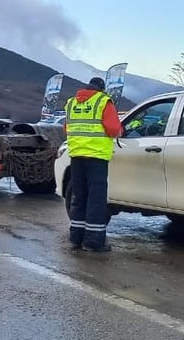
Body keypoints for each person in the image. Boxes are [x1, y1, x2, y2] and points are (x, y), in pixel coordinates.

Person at [64, 77, 122, 252]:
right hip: (96, 157)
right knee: (96, 199)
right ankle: (93, 242)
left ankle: (76, 237)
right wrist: (120, 130)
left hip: (76, 156)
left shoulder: (71, 103)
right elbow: (113, 129)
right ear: (102, 88)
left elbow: (67, 128)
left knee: (79, 197)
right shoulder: (103, 102)